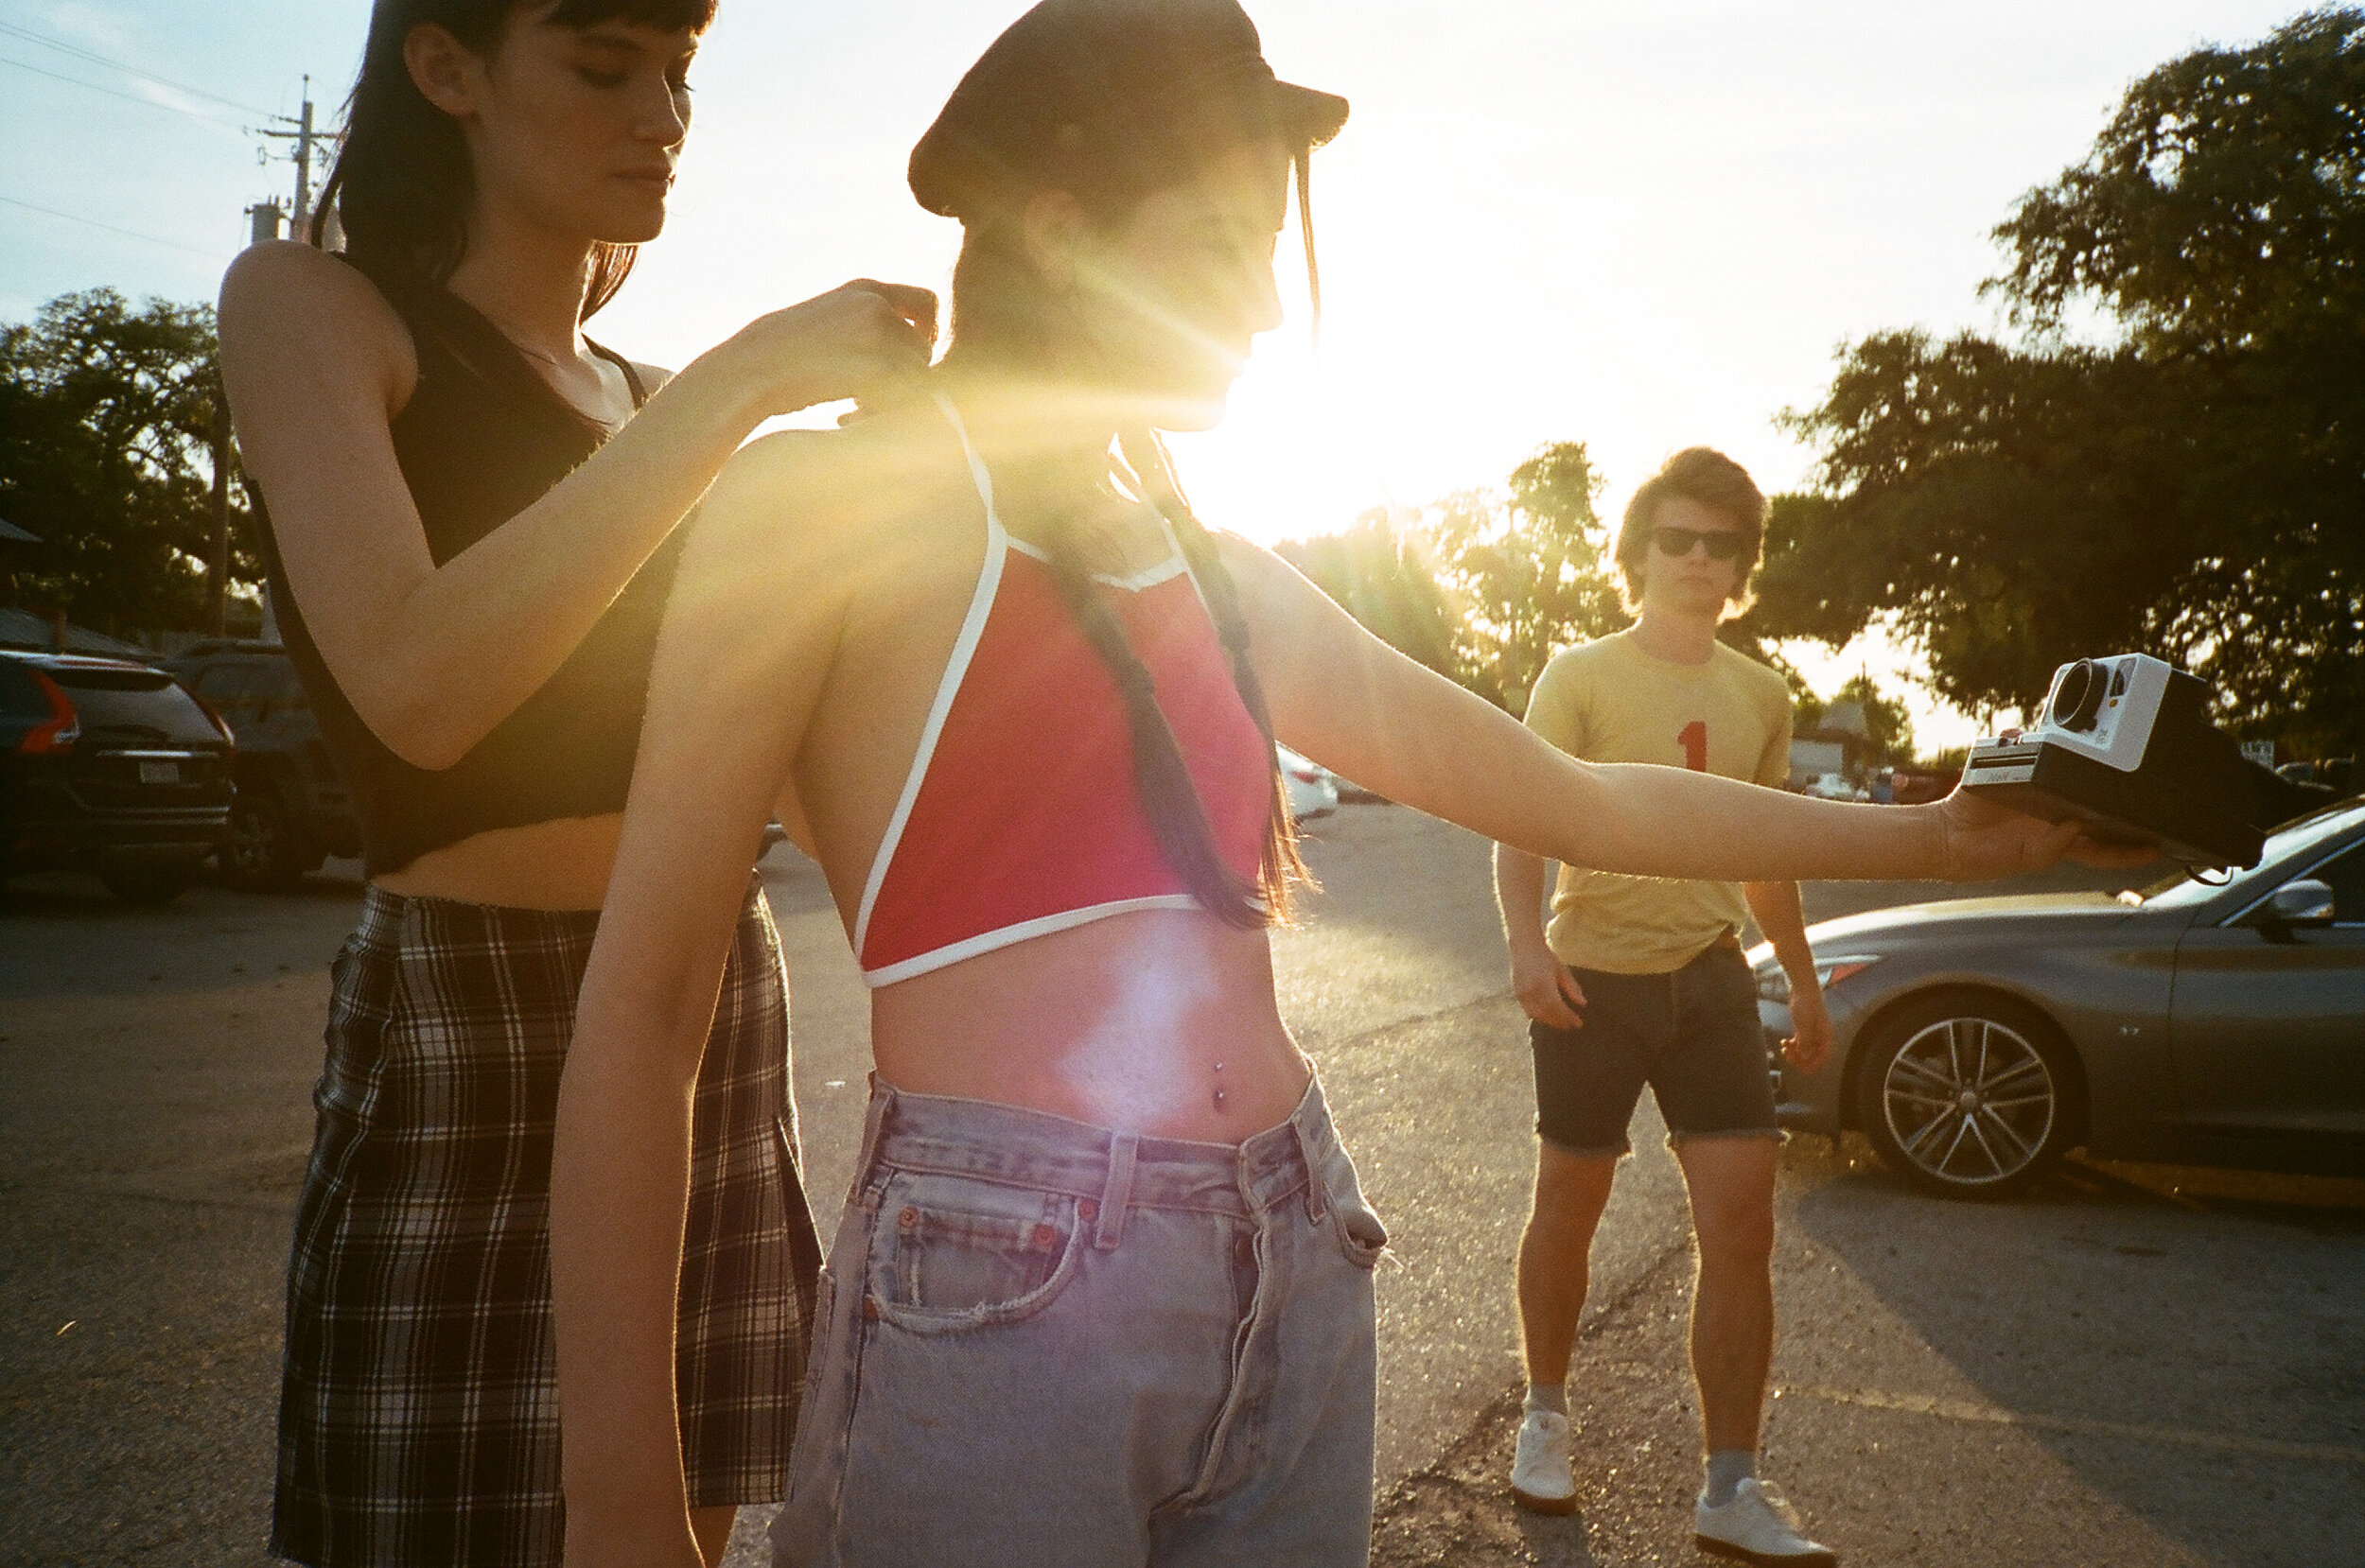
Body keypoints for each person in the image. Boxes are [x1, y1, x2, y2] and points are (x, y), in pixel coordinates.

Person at [543, 4, 2143, 1565]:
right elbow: (648, 1000)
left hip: (1298, 1245)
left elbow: (1579, 798)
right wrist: (621, 1498)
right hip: (998, 1272)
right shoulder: (825, 504)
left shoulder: (1221, 571)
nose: (1257, 300)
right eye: (1219, 237)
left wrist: (1943, 828)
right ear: (1058, 221)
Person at [215, 2, 935, 1563]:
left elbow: (806, 779)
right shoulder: (312, 307)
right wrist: (739, 389)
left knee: (681, 1527)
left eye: (679, 74)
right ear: (448, 66)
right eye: (606, 67)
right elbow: (418, 684)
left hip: (704, 1005)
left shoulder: (649, 399)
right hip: (469, 1014)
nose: (662, 112)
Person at [1494, 448, 1842, 1564]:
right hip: (1593, 974)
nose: (1700, 559)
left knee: (1742, 1225)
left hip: (1710, 980)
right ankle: (1544, 1417)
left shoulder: (1759, 693)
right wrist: (1522, 943)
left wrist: (1797, 979)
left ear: (1740, 565)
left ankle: (1729, 1486)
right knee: (1571, 1197)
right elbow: (1521, 814)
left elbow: (1765, 855)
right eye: (1678, 539)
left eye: (1721, 544)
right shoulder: (1580, 672)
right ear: (1638, 551)